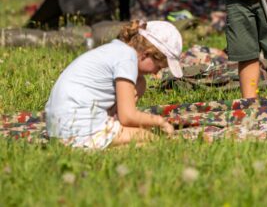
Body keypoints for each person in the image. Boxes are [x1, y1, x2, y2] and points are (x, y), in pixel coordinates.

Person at [45, 20, 182, 148]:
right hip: (80, 130)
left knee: (140, 84)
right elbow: (128, 116)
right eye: (158, 67)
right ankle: (98, 141)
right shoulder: (127, 59)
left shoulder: (117, 50)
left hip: (57, 129)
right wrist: (159, 121)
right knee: (150, 138)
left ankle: (107, 136)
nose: (156, 74)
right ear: (146, 54)